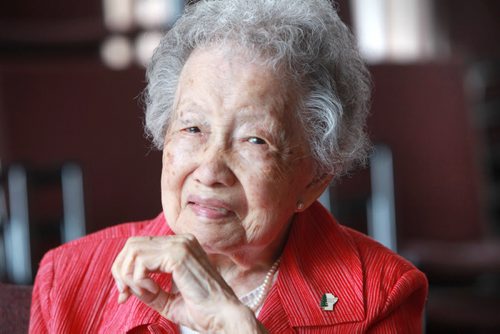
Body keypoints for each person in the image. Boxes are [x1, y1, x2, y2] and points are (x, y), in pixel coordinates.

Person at [30, 0, 427, 332]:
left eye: (255, 140)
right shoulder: (68, 281)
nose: (211, 169)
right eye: (192, 128)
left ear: (315, 179)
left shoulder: (381, 292)